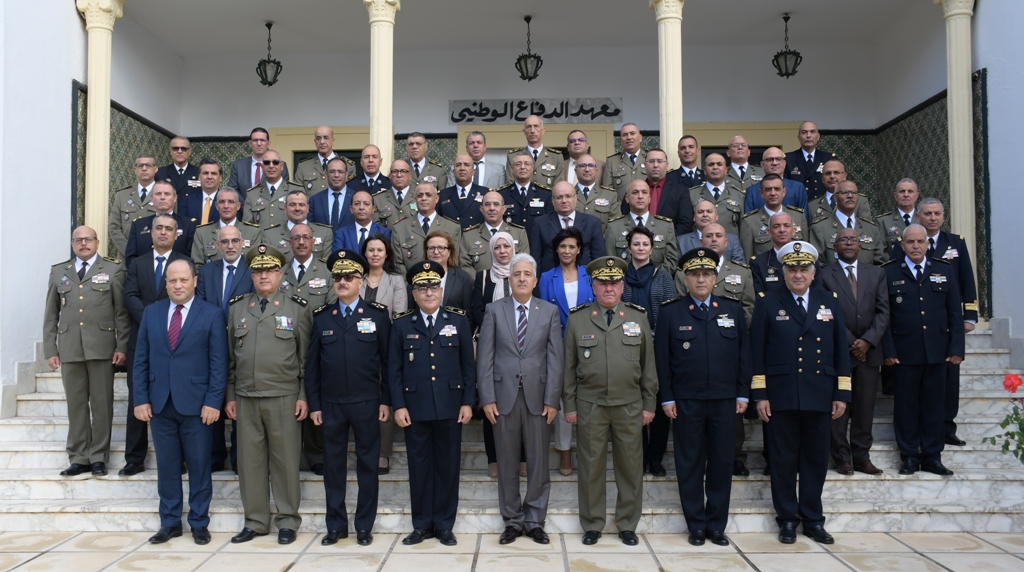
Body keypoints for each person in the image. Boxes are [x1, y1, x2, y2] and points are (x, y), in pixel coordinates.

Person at [751, 241, 851, 545]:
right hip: (780, 395)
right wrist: (760, 394)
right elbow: (758, 352)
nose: (798, 274)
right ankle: (787, 520)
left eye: (803, 269)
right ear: (783, 272)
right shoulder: (768, 302)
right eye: (792, 269)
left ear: (812, 272)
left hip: (819, 393)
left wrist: (842, 392)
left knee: (815, 460)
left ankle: (813, 519)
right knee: (782, 460)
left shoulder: (829, 301)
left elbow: (839, 351)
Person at [656, 248, 750, 547]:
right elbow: (663, 361)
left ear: (715, 278)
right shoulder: (672, 312)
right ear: (685, 279)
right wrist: (667, 398)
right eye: (695, 274)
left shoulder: (732, 310)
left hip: (724, 400)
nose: (700, 279)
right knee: (690, 463)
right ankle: (696, 524)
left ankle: (716, 525)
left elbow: (743, 356)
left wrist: (742, 392)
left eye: (706, 274)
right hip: (687, 402)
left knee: (722, 463)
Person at [563, 256, 658, 546]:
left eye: (614, 282)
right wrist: (570, 405)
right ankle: (593, 523)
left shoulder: (637, 316)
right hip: (590, 405)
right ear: (592, 285)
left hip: (629, 404)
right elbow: (568, 367)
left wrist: (649, 403)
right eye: (602, 283)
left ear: (622, 286)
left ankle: (627, 524)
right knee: (591, 467)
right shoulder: (578, 319)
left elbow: (648, 365)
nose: (608, 288)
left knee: (630, 466)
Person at [132, 258, 227, 546]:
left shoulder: (211, 314)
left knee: (199, 466)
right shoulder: (152, 313)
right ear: (166, 282)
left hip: (198, 407)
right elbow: (141, 361)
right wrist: (140, 399)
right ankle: (170, 522)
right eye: (172, 280)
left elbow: (219, 363)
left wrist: (213, 401)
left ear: (195, 281)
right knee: (167, 467)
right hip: (160, 404)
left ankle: (199, 522)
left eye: (183, 280)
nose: (177, 285)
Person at [225, 244, 312, 545]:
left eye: (270, 270)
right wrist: (229, 395)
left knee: (286, 460)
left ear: (280, 273)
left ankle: (288, 520)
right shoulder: (237, 308)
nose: (264, 275)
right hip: (246, 397)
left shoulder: (297, 308)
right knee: (250, 462)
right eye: (258, 270)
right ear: (251, 275)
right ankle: (256, 520)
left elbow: (305, 360)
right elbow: (230, 358)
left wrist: (303, 395)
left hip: (284, 396)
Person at [306, 249, 392, 547]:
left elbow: (388, 363)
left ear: (361, 281)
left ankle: (364, 526)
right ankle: (336, 525)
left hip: (367, 402)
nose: (342, 281)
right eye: (337, 277)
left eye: (349, 277)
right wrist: (315, 405)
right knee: (333, 466)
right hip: (331, 405)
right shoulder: (321, 318)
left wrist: (386, 400)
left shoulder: (377, 316)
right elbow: (313, 367)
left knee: (368, 465)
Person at [477, 253, 563, 545]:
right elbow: (485, 358)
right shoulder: (493, 310)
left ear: (535, 280)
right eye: (517, 274)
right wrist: (486, 398)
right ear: (509, 279)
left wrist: (553, 399)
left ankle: (535, 520)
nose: (522, 278)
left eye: (527, 274)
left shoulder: (549, 311)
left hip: (539, 399)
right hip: (502, 399)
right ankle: (512, 521)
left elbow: (555, 358)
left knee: (539, 463)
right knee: (507, 463)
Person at [390, 260, 476, 546]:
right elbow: (394, 370)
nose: (428, 293)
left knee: (448, 466)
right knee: (419, 467)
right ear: (413, 294)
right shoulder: (402, 325)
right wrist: (398, 405)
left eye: (433, 287)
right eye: (422, 288)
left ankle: (444, 524)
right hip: (415, 408)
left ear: (441, 291)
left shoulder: (458, 321)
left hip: (451, 407)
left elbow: (468, 367)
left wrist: (467, 402)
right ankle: (422, 524)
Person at [43, 226, 130, 477]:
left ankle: (99, 456)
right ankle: (79, 456)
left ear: (97, 242)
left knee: (102, 404)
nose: (83, 243)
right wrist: (51, 349)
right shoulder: (59, 271)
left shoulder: (113, 269)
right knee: (76, 404)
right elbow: (51, 315)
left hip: (102, 347)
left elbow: (122, 313)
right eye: (78, 240)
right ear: (72, 244)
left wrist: (122, 346)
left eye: (88, 239)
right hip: (70, 347)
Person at [891, 198, 977, 445]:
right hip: (911, 336)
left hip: (944, 331)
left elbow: (965, 281)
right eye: (927, 213)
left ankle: (946, 429)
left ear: (943, 216)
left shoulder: (955, 243)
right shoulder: (901, 247)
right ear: (918, 216)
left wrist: (969, 315)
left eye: (937, 213)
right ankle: (916, 442)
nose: (932, 217)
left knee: (946, 387)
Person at [883, 224, 965, 476]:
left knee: (934, 405)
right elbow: (884, 316)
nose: (916, 246)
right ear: (902, 245)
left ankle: (932, 455)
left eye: (921, 242)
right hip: (904, 353)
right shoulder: (888, 272)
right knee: (906, 406)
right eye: (910, 242)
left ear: (928, 244)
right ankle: (909, 456)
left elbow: (954, 312)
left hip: (938, 351)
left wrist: (956, 347)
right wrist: (888, 349)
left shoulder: (944, 269)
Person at [123, 214, 190, 476]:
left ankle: (181, 458)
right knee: (137, 401)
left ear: (176, 234)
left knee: (177, 400)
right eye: (158, 228)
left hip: (176, 343)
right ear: (150, 233)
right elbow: (129, 296)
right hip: (141, 339)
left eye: (169, 229)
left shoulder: (184, 264)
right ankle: (134, 458)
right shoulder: (137, 264)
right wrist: (153, 320)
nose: (163, 232)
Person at [820, 229, 890, 475]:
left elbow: (884, 312)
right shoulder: (824, 274)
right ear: (834, 246)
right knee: (838, 407)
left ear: (861, 246)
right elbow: (825, 312)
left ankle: (862, 456)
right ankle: (841, 458)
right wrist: (853, 342)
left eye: (853, 239)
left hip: (870, 353)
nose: (848, 243)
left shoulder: (877, 273)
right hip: (840, 352)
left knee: (865, 406)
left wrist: (868, 341)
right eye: (843, 239)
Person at [195, 225, 255, 472]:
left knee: (240, 401)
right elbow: (198, 304)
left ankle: (241, 458)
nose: (230, 246)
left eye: (234, 241)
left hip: (243, 342)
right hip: (210, 344)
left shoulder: (252, 271)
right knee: (213, 397)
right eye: (225, 242)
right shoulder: (207, 272)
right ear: (217, 245)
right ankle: (214, 456)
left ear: (242, 243)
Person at [619, 226, 677, 477]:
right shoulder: (619, 276)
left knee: (659, 404)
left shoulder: (663, 276)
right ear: (628, 247)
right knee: (633, 403)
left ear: (652, 248)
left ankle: (656, 458)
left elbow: (670, 313)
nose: (640, 248)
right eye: (636, 244)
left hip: (658, 348)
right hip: (627, 347)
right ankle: (639, 457)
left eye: (645, 244)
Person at [538, 227, 595, 475]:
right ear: (556, 249)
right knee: (561, 400)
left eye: (572, 246)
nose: (567, 251)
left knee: (588, 398)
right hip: (557, 346)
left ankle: (588, 450)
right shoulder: (546, 277)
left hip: (589, 346)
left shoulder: (590, 275)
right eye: (563, 246)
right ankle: (564, 452)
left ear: (579, 249)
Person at [471, 231, 525, 477]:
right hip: (492, 346)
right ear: (491, 250)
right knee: (490, 399)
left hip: (522, 346)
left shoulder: (523, 275)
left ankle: (523, 457)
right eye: (498, 247)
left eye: (506, 246)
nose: (502, 251)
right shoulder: (483, 277)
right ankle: (493, 457)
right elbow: (476, 310)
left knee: (522, 402)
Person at [359, 234, 408, 475]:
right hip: (357, 348)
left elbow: (398, 315)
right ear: (365, 254)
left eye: (380, 250)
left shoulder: (396, 280)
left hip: (385, 346)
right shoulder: (356, 278)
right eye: (371, 250)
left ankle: (382, 453)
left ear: (386, 253)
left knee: (384, 401)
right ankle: (364, 449)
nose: (375, 254)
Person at [530, 181, 606, 274]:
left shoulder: (592, 223)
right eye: (559, 197)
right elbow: (535, 260)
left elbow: (599, 259)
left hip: (585, 281)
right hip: (550, 282)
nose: (564, 200)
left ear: (576, 198)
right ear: (553, 201)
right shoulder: (540, 223)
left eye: (568, 196)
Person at [605, 180, 679, 273]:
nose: (640, 196)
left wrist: (654, 276)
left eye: (644, 192)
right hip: (625, 283)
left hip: (656, 283)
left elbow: (671, 260)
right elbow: (610, 261)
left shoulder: (665, 226)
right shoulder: (614, 227)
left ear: (649, 198)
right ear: (627, 198)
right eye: (635, 192)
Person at [619, 148, 694, 238]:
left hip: (668, 244)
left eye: (660, 161)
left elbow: (685, 223)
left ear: (666, 165)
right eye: (651, 161)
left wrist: (665, 240)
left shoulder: (680, 191)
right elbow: (624, 218)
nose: (655, 165)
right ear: (645, 165)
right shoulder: (633, 190)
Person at [391, 183, 463, 275]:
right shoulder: (399, 228)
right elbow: (397, 264)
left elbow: (454, 261)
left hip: (442, 284)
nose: (424, 198)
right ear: (415, 200)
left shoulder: (452, 227)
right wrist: (410, 286)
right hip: (411, 285)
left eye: (428, 195)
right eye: (420, 195)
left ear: (436, 199)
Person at [809, 180, 886, 266]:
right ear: (835, 198)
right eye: (844, 192)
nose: (850, 196)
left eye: (854, 192)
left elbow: (879, 264)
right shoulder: (820, 228)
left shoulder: (871, 228)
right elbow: (818, 265)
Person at [124, 180, 197, 270]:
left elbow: (191, 258)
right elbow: (130, 259)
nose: (162, 197)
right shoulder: (138, 225)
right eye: (158, 194)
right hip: (145, 279)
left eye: (167, 194)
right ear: (151, 198)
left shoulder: (189, 225)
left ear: (175, 198)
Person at [458, 191, 529, 280]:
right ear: (481, 209)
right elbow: (465, 266)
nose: (492, 208)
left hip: (511, 289)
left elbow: (524, 264)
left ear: (504, 209)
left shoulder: (519, 233)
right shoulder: (469, 236)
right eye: (487, 204)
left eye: (496, 204)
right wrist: (482, 285)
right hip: (480, 290)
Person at [738, 174, 808, 261]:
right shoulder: (750, 222)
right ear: (761, 193)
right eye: (768, 189)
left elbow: (806, 251)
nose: (773, 193)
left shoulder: (798, 216)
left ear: (784, 192)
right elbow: (747, 259)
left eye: (777, 189)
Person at [191, 188, 262, 267]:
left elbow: (255, 266)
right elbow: (197, 266)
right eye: (222, 202)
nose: (226, 206)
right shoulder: (202, 233)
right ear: (216, 206)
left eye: (231, 202)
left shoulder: (252, 232)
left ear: (238, 206)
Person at [258, 191, 334, 261]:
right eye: (292, 205)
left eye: (301, 205)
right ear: (285, 208)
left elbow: (326, 268)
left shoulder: (324, 233)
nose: (297, 208)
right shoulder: (270, 235)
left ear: (307, 209)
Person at [108, 154, 158, 259]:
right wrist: (129, 249)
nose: (144, 168)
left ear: (155, 169)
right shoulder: (122, 195)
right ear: (135, 169)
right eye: (140, 165)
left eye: (148, 165)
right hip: (126, 257)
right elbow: (114, 227)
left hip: (154, 255)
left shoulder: (164, 193)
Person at [241, 150, 305, 230]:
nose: (271, 166)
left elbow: (304, 223)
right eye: (267, 163)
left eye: (275, 162)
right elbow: (248, 228)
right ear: (262, 167)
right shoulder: (252, 194)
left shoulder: (297, 190)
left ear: (281, 166)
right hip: (261, 242)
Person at [689, 153, 744, 237]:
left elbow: (743, 228)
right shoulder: (691, 194)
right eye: (711, 164)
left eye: (719, 164)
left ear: (726, 170)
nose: (715, 167)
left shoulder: (739, 195)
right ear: (704, 170)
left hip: (730, 247)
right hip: (700, 247)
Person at [500, 151, 554, 236]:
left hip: (537, 244)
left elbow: (550, 224)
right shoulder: (501, 194)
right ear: (512, 168)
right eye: (518, 164)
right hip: (510, 244)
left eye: (527, 164)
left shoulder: (545, 194)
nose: (522, 167)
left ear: (532, 168)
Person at [744, 147, 809, 214]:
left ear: (784, 163)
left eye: (778, 159)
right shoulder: (752, 191)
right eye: (770, 159)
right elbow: (749, 222)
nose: (775, 163)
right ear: (762, 165)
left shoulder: (797, 188)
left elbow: (803, 219)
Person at [677, 199, 745, 264]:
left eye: (709, 211)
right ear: (694, 217)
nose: (705, 215)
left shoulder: (732, 240)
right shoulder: (681, 241)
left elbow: (739, 268)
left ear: (716, 216)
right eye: (700, 212)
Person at [506, 115, 565, 188]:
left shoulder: (556, 157)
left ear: (543, 130)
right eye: (529, 127)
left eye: (536, 126)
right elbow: (510, 184)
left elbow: (558, 187)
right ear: (524, 131)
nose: (532, 131)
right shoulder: (513, 156)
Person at [227, 127, 290, 195]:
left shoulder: (278, 165)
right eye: (255, 140)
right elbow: (233, 191)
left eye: (262, 140)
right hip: (244, 205)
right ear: (250, 143)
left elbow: (282, 190)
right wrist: (248, 204)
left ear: (268, 143)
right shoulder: (238, 166)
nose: (259, 143)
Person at [805, 159, 872, 221]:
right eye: (828, 173)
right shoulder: (812, 206)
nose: (832, 176)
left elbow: (866, 229)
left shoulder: (860, 201)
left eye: (836, 172)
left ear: (845, 176)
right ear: (822, 178)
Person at [784, 121, 834, 200]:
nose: (808, 135)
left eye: (812, 132)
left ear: (818, 136)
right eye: (804, 132)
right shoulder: (788, 159)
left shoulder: (828, 159)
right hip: (797, 205)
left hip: (821, 206)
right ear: (798, 137)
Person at [438, 154, 489, 229]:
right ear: (453, 171)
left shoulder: (486, 193)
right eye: (458, 165)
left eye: (466, 165)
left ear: (473, 171)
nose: (462, 168)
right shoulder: (442, 195)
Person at [573, 154, 618, 232]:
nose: (587, 169)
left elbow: (614, 226)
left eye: (591, 165)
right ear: (575, 170)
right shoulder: (567, 195)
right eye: (583, 165)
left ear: (596, 170)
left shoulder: (610, 195)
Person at [307, 157, 354, 231]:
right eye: (332, 171)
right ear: (326, 174)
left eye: (340, 171)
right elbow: (309, 227)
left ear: (346, 174)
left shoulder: (356, 198)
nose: (336, 175)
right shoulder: (315, 200)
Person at [602, 123, 646, 200]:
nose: (629, 137)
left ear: (640, 137)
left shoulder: (650, 158)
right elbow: (607, 192)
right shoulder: (612, 161)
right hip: (620, 210)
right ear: (621, 140)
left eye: (632, 133)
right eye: (625, 135)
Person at [876, 178, 921, 251]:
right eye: (902, 191)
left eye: (910, 191)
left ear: (916, 195)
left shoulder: (924, 219)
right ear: (895, 195)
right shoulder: (883, 222)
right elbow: (881, 252)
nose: (906, 195)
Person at [295, 126, 341, 196]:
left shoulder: (347, 166)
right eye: (318, 138)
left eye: (326, 138)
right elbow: (298, 195)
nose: (322, 142)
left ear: (333, 140)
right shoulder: (303, 166)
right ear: (315, 141)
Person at [371, 159, 415, 230]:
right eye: (395, 171)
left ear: (410, 176)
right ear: (390, 176)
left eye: (403, 171)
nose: (399, 175)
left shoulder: (419, 197)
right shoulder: (377, 200)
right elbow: (375, 228)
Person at [178, 158, 222, 226]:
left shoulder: (227, 202)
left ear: (220, 178)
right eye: (205, 173)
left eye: (213, 173)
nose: (209, 177)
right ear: (199, 177)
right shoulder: (187, 201)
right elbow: (182, 226)